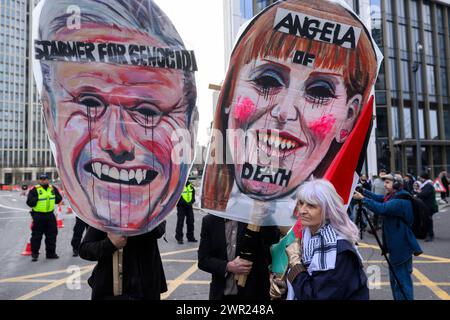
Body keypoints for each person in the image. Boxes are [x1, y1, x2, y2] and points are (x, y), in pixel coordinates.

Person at [201, 0, 380, 227]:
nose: (283, 112)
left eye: (319, 92)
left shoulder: (331, 242)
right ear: (230, 91)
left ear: (349, 116)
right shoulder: (214, 222)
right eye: (266, 80)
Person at [34, 0, 198, 236]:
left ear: (190, 129)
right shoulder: (94, 226)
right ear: (49, 115)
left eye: (147, 111)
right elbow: (88, 250)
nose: (115, 141)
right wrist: (109, 244)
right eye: (90, 104)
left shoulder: (155, 226)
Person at [270, 179, 368, 300]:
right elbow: (312, 284)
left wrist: (295, 264)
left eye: (311, 205)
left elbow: (317, 296)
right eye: (301, 203)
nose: (302, 210)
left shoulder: (338, 250)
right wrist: (287, 288)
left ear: (327, 210)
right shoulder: (307, 238)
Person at [353, 174, 422, 300]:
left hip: (401, 246)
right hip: (397, 245)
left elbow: (381, 208)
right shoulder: (392, 196)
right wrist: (363, 191)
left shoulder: (400, 201)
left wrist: (363, 199)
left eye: (388, 182)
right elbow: (378, 198)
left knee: (402, 280)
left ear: (396, 184)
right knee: (395, 279)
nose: (384, 184)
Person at [198, 214, 280, 300]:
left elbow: (273, 238)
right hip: (221, 294)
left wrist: (266, 216)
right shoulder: (209, 220)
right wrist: (228, 266)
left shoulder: (253, 217)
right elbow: (203, 260)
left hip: (253, 292)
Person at [79, 221, 167, 300]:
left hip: (147, 287)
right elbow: (84, 249)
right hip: (114, 289)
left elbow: (160, 230)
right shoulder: (106, 213)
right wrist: (110, 244)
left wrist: (144, 220)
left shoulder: (150, 208)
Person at [26, 174, 63, 262]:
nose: (43, 181)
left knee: (52, 235)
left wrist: (56, 196)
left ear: (48, 180)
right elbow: (29, 203)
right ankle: (34, 254)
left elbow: (58, 199)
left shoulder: (52, 189)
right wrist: (37, 198)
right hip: (38, 216)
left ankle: (51, 253)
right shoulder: (35, 190)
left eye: (45, 179)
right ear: (39, 180)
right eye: (41, 179)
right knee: (36, 236)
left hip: (50, 215)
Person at [417, 173, 438, 242]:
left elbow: (423, 194)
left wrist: (418, 193)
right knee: (426, 220)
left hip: (429, 206)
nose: (420, 179)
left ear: (424, 178)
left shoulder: (428, 185)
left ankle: (430, 235)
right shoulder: (426, 185)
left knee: (428, 221)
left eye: (421, 178)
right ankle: (427, 234)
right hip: (427, 206)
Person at [175, 180, 197, 244]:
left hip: (189, 206)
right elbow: (175, 196)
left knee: (191, 221)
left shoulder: (191, 187)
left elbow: (193, 196)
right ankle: (179, 238)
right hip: (181, 207)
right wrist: (181, 203)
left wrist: (191, 202)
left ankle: (190, 237)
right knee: (180, 222)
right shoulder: (179, 187)